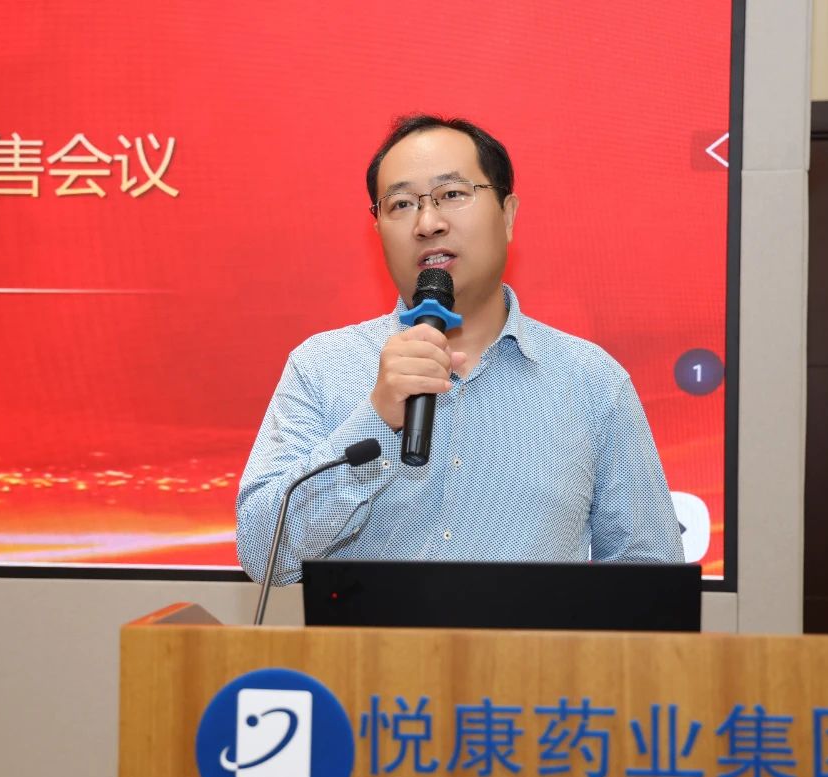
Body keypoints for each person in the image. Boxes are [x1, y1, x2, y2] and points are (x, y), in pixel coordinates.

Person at [237, 114, 683, 584]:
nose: (428, 223)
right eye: (402, 204)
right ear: (378, 230)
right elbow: (264, 557)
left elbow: (650, 576)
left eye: (451, 194)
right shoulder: (321, 367)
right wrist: (377, 420)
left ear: (507, 215)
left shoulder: (592, 381)